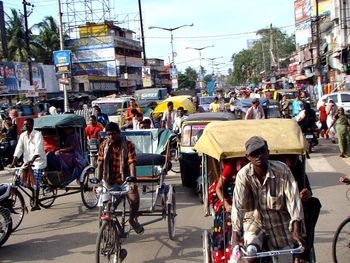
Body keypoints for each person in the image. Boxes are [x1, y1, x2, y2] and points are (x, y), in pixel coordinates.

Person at [230, 136, 304, 262]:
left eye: (262, 151)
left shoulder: (282, 170)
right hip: (254, 222)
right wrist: (235, 236)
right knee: (250, 254)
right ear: (248, 157)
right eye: (254, 153)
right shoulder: (243, 175)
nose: (259, 156)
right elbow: (238, 206)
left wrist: (296, 229)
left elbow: (294, 200)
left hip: (280, 223)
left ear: (268, 152)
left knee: (287, 258)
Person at [97, 122, 144, 234]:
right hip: (109, 180)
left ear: (118, 133)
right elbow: (100, 164)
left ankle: (132, 220)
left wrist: (132, 181)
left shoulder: (128, 145)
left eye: (113, 134)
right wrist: (98, 182)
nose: (111, 137)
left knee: (134, 200)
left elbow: (132, 163)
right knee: (107, 206)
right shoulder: (104, 145)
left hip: (125, 180)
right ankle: (109, 229)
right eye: (108, 134)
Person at [279, 155, 321, 262]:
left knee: (314, 204)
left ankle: (303, 251)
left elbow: (306, 188)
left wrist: (306, 194)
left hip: (296, 205)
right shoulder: (271, 166)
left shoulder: (297, 165)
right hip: (275, 206)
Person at [9, 118, 47, 211]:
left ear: (32, 124)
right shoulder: (23, 135)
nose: (26, 126)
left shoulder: (38, 134)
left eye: (28, 124)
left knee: (35, 183)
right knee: (19, 180)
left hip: (38, 161)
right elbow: (19, 149)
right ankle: (33, 193)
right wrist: (13, 162)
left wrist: (32, 160)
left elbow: (38, 150)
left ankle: (36, 202)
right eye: (25, 125)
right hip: (27, 162)